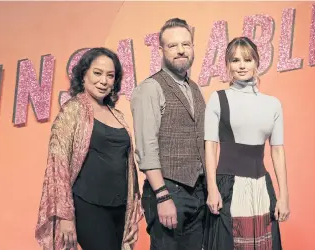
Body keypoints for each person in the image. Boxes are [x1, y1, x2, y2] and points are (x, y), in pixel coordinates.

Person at [35, 47, 143, 250]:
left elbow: (128, 165)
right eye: (97, 73)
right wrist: (65, 216)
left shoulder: (117, 114)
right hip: (89, 205)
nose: (104, 81)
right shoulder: (73, 110)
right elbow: (58, 165)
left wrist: (132, 211)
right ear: (83, 74)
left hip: (120, 207)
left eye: (110, 76)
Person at [203, 37, 290, 250]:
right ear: (228, 64)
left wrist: (284, 196)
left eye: (247, 59)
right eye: (235, 60)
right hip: (228, 188)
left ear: (257, 62)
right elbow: (210, 147)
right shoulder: (218, 98)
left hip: (261, 188)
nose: (242, 65)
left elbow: (277, 151)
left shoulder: (272, 104)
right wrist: (212, 188)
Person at [130, 18, 206, 250]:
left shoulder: (194, 88)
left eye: (186, 44)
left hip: (197, 191)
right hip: (167, 191)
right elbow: (146, 146)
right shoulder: (150, 88)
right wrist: (162, 196)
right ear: (161, 50)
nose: (181, 50)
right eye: (173, 46)